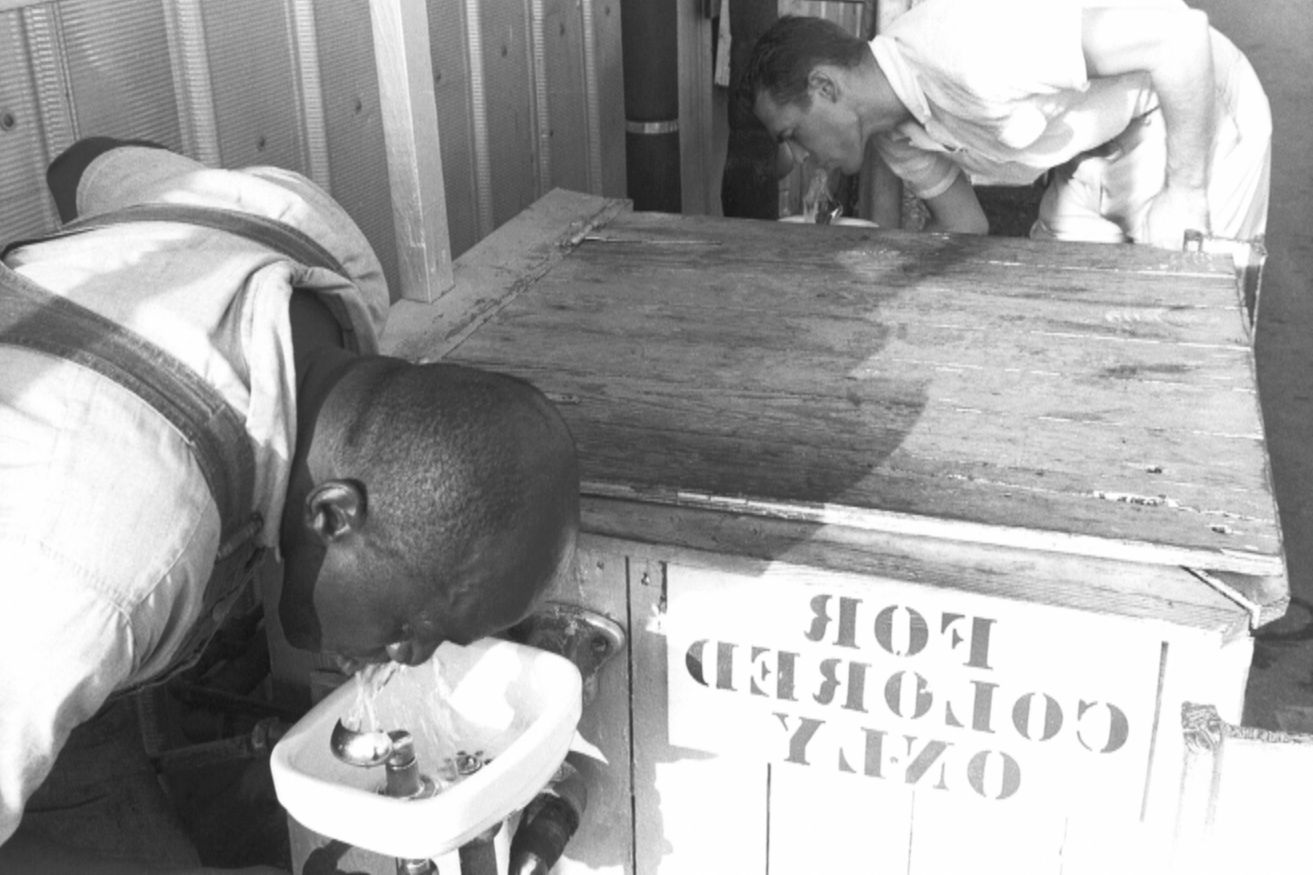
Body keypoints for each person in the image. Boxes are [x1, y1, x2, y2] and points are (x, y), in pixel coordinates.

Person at [0, 138, 581, 872]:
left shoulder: (310, 238)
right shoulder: (107, 569)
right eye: (413, 628)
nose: (410, 659)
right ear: (333, 514)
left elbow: (81, 164)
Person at [743, 0, 1271, 249]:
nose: (800, 157)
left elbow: (1180, 39)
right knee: (1062, 312)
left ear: (825, 87)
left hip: (1190, 107)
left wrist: (1186, 193)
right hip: (1095, 141)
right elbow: (966, 226)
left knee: (1182, 324)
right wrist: (875, 258)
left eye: (792, 134)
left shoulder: (967, 51)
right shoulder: (894, 137)